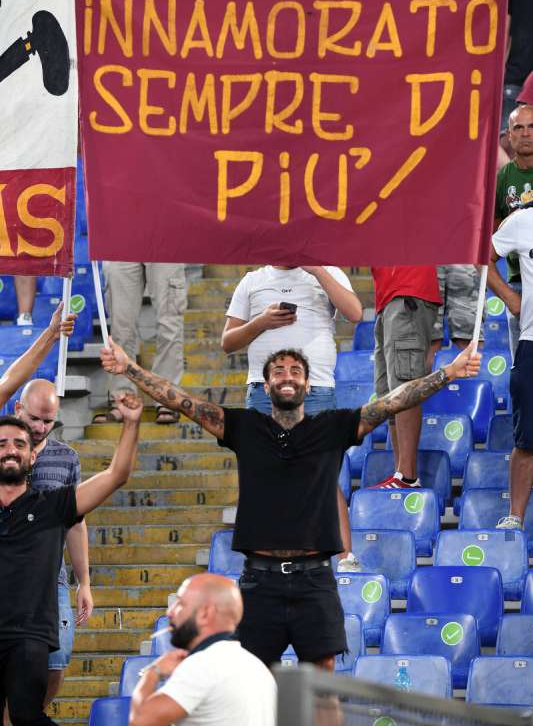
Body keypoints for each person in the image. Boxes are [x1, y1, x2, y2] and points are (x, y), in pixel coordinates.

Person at [101, 337, 480, 668]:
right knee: (252, 684)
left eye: (295, 370)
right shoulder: (244, 427)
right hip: (258, 580)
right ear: (266, 386)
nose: (287, 375)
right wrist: (129, 367)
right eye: (278, 371)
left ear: (307, 384)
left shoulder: (332, 427)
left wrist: (448, 372)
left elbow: (393, 401)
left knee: (323, 688)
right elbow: (182, 401)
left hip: (315, 579)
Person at [0, 392, 142, 726]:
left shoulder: (53, 506)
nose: (10, 450)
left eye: (19, 444)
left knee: (25, 716)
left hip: (29, 637)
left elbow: (116, 475)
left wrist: (132, 424)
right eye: (2, 443)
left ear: (33, 456)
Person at [221, 264, 363, 570]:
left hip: (317, 389)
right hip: (264, 391)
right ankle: (264, 559)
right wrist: (260, 322)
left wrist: (317, 269)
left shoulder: (329, 272)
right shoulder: (252, 280)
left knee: (323, 475)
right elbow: (228, 341)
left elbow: (355, 313)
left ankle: (344, 559)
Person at [14, 379, 92, 709]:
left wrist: (84, 582)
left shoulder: (66, 458)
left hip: (51, 577)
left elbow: (75, 522)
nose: (41, 427)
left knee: (58, 656)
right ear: (18, 409)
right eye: (34, 419)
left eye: (48, 421)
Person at [130, 573, 276, 726]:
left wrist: (153, 672)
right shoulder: (258, 668)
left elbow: (140, 721)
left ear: (205, 614)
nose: (170, 612)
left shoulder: (202, 665)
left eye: (180, 604)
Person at [370, 265, 441, 488]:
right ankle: (401, 474)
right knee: (389, 393)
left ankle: (407, 475)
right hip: (388, 297)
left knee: (403, 385)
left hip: (407, 292)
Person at [94, 261, 187, 424]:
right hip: (122, 242)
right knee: (120, 330)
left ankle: (167, 397)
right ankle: (123, 398)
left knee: (169, 325)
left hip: (164, 240)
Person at [488, 203, 533, 529]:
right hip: (532, 342)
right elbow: (481, 257)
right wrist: (509, 297)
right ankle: (515, 517)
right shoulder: (522, 220)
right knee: (527, 439)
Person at [495, 105, 533, 357]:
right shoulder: (501, 179)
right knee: (523, 374)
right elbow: (489, 243)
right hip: (520, 283)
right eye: (518, 127)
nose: (526, 133)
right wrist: (509, 296)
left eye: (532, 127)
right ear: (509, 135)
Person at [499, 0, 533, 147]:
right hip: (516, 79)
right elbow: (504, 31)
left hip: (516, 77)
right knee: (505, 142)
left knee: (507, 141)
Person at [429, 265, 484, 366]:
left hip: (465, 254)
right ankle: (426, 380)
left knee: (468, 335)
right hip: (422, 256)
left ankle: (474, 380)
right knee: (429, 335)